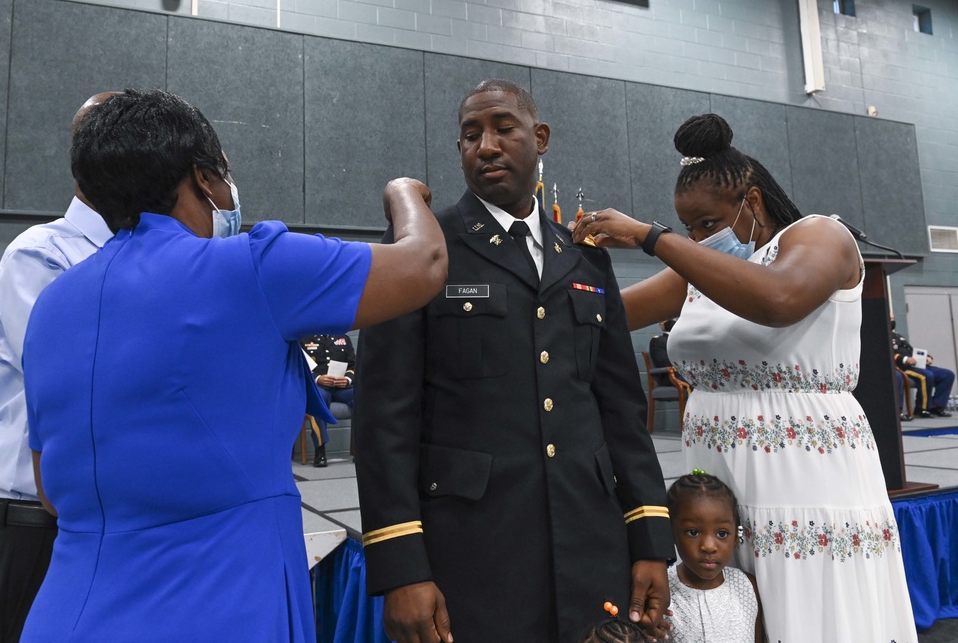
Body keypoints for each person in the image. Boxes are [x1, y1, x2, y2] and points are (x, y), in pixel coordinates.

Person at [19, 88, 446, 643]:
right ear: (202, 178)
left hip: (65, 611)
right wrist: (404, 193)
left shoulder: (52, 306)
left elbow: (50, 490)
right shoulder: (250, 268)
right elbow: (425, 263)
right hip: (221, 603)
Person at [571, 113, 918, 641]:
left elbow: (779, 299)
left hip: (804, 475)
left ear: (752, 203)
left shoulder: (821, 235)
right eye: (688, 228)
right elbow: (606, 313)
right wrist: (562, 268)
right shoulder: (702, 268)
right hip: (719, 471)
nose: (697, 240)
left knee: (807, 607)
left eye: (707, 224)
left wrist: (652, 238)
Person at [355, 79, 674, 643]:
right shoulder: (425, 249)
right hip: (475, 552)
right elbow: (384, 416)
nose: (486, 145)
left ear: (540, 136)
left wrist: (649, 536)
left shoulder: (585, 259)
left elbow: (622, 410)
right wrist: (402, 567)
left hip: (589, 542)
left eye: (504, 128)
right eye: (470, 135)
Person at [0, 92, 116, 643]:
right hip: (36, 522)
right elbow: (75, 380)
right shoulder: (42, 253)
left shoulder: (137, 252)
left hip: (105, 519)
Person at [664, 471, 762, 643]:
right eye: (693, 532)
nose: (709, 546)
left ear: (735, 536)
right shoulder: (661, 591)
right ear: (672, 532)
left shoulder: (747, 587)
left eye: (722, 533)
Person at [300, 333, 356, 467]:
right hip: (319, 387)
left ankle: (362, 449)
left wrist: (347, 379)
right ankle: (320, 449)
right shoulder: (303, 338)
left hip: (342, 387)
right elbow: (299, 366)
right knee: (317, 399)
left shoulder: (343, 338)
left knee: (362, 396)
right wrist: (318, 378)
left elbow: (354, 366)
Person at [892, 316, 954, 418]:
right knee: (926, 376)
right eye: (890, 319)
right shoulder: (884, 337)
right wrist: (905, 359)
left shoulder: (899, 336)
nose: (892, 320)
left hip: (917, 364)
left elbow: (912, 351)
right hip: (903, 367)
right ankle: (922, 408)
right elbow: (890, 354)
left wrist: (926, 357)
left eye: (893, 318)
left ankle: (937, 406)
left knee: (947, 375)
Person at [648, 318, 690, 394]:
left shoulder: (683, 340)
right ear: (661, 325)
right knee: (699, 383)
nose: (673, 322)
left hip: (688, 374)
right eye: (670, 319)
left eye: (675, 319)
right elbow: (663, 362)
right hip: (671, 377)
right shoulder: (658, 341)